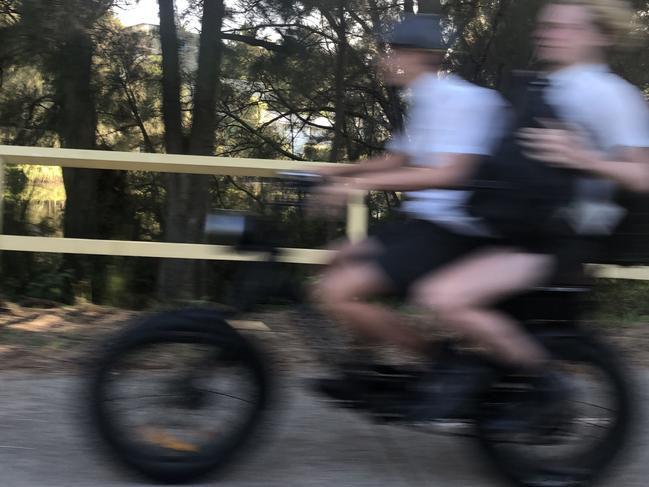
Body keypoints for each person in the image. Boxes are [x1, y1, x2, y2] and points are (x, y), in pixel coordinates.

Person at [398, 0, 649, 419]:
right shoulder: (543, 84)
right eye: (548, 24)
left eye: (568, 27)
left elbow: (642, 176)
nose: (549, 32)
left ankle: (551, 386)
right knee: (428, 279)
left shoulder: (610, 93)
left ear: (601, 35)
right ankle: (468, 376)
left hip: (559, 241)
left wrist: (584, 158)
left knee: (445, 297)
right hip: (517, 228)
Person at [310, 14, 510, 398]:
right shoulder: (425, 100)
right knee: (337, 259)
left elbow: (451, 173)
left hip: (454, 229)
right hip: (423, 222)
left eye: (391, 52)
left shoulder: (461, 100)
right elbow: (395, 160)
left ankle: (439, 360)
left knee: (334, 293)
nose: (382, 60)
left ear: (420, 56)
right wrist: (331, 173)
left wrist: (359, 184)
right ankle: (362, 366)